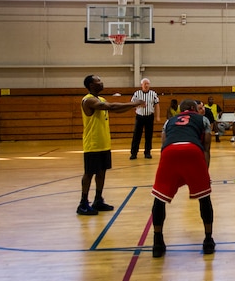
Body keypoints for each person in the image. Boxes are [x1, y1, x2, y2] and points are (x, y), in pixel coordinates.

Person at [150, 99, 215, 257]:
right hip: (192, 150)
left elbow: (164, 144)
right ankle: (208, 240)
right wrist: (204, 173)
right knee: (204, 197)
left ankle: (157, 242)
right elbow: (206, 147)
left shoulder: (169, 121)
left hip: (169, 152)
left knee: (160, 199)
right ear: (193, 108)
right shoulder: (203, 119)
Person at [78, 75, 145, 216]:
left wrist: (132, 106)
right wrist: (133, 103)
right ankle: (83, 203)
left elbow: (116, 109)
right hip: (92, 143)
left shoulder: (100, 99)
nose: (101, 83)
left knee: (102, 172)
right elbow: (112, 107)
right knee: (89, 173)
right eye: (98, 81)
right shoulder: (88, 100)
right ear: (91, 85)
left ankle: (98, 199)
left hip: (104, 143)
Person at [130, 78, 161, 159]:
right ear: (142, 85)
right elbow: (132, 105)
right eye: (145, 84)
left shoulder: (153, 94)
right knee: (137, 135)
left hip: (149, 117)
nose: (146, 85)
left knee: (148, 135)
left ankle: (147, 152)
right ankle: (134, 153)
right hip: (139, 117)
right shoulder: (137, 94)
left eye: (148, 84)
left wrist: (158, 116)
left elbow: (157, 105)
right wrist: (139, 105)